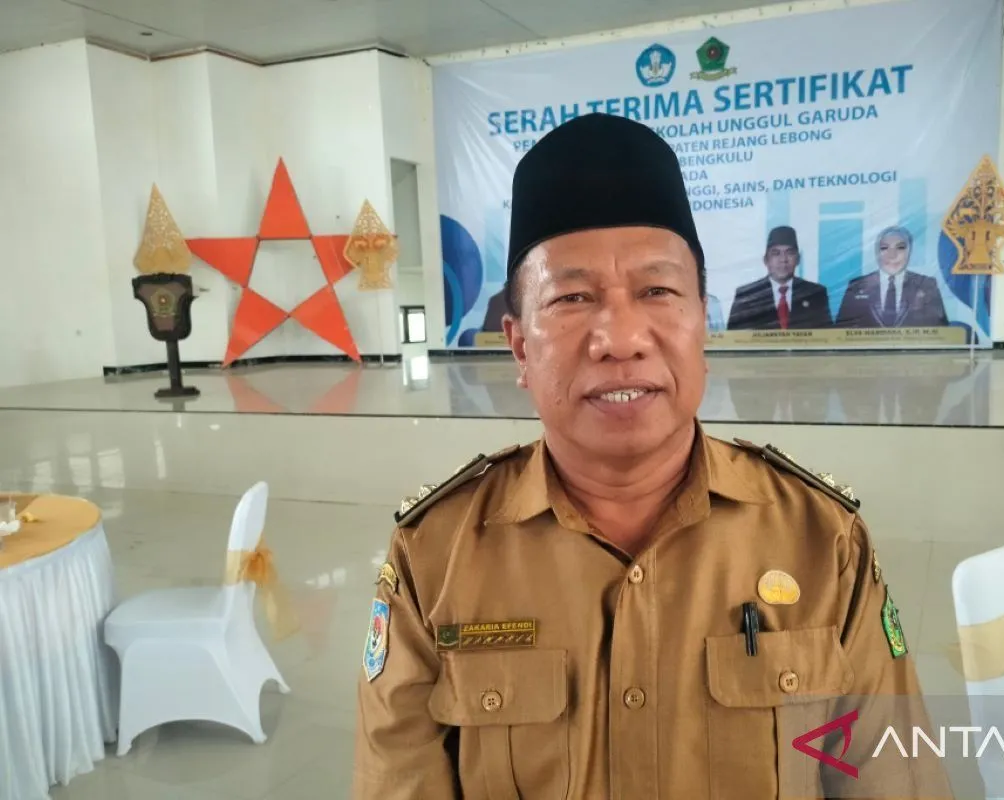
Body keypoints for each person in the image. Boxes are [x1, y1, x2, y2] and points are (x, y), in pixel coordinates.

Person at [353, 114, 951, 799]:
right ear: (518, 346)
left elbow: (895, 779)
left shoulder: (821, 541)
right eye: (572, 297)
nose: (621, 338)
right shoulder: (435, 558)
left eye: (657, 292)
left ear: (703, 322)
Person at [836, 225, 949, 328]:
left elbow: (940, 330)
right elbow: (840, 332)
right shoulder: (857, 286)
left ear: (910, 251)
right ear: (876, 251)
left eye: (900, 247)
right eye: (884, 248)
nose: (892, 255)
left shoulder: (926, 285)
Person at [726, 225, 832, 331]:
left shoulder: (815, 293)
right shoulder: (747, 296)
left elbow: (828, 336)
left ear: (798, 259)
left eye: (790, 253)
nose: (783, 260)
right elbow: (733, 337)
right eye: (776, 253)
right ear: (766, 260)